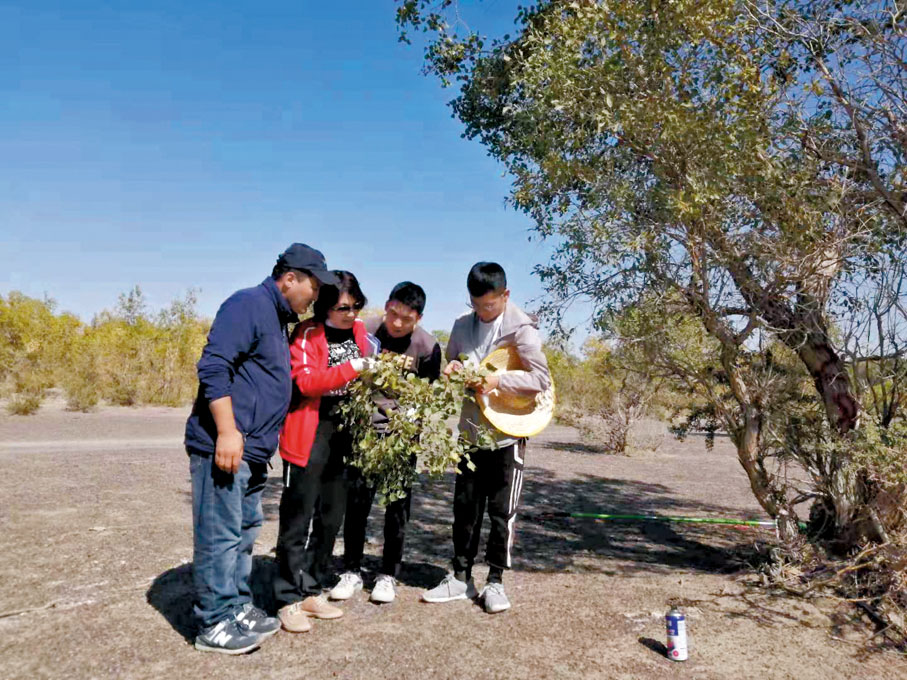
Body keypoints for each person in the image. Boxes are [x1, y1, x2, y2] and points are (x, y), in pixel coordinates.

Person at [184, 243, 337, 654]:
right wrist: (227, 431)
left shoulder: (277, 317)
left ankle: (236, 606)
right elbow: (215, 366)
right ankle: (213, 622)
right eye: (314, 286)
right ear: (289, 278)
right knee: (219, 534)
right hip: (226, 445)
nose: (316, 296)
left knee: (244, 531)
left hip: (253, 452)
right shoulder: (248, 304)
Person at [422, 262, 551, 614]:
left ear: (505, 296)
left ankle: (495, 582)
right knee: (464, 510)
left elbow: (540, 380)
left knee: (500, 513)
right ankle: (460, 578)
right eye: (476, 305)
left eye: (489, 305)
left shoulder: (522, 330)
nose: (482, 312)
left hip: (508, 435)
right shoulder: (462, 326)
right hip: (469, 436)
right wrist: (452, 369)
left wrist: (499, 382)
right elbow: (452, 362)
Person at [272, 271, 379, 633]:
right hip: (311, 430)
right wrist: (352, 367)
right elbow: (306, 381)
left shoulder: (361, 332)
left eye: (356, 305)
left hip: (346, 435)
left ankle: (312, 588)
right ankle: (287, 597)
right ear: (325, 307)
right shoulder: (307, 334)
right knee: (298, 516)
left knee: (331, 516)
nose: (351, 313)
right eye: (343, 308)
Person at [329, 282, 442, 604]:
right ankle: (351, 570)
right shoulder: (366, 331)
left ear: (417, 318)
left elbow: (428, 395)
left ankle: (387, 575)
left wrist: (406, 427)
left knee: (396, 509)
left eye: (405, 318)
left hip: (401, 440)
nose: (395, 322)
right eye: (392, 312)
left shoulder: (428, 347)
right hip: (363, 436)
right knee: (357, 505)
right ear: (387, 305)